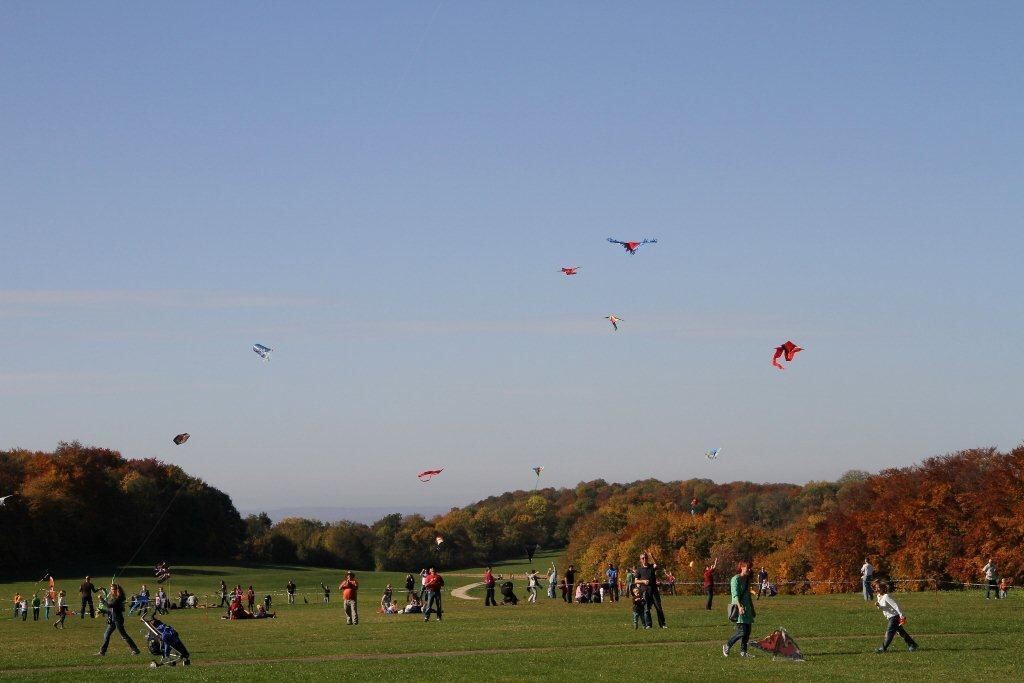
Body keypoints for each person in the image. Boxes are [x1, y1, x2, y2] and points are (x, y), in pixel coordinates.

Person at [872, 579, 918, 653]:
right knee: (901, 632)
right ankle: (912, 644)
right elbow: (883, 607)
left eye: (879, 587)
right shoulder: (879, 596)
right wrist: (878, 605)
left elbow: (896, 605)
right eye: (876, 587)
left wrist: (902, 615)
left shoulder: (887, 596)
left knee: (889, 633)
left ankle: (882, 649)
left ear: (883, 587)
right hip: (890, 617)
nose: (877, 589)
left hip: (894, 617)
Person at [723, 561, 756, 658]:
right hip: (738, 608)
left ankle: (743, 652)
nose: (749, 569)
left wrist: (752, 608)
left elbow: (748, 596)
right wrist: (739, 607)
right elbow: (735, 595)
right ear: (742, 567)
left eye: (750, 568)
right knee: (742, 631)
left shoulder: (747, 579)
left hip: (747, 608)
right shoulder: (735, 579)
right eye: (747, 567)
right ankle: (727, 645)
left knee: (747, 632)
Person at [95, 584, 140, 656]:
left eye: (112, 589)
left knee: (123, 635)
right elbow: (111, 611)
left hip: (118, 619)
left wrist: (101, 599)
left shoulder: (119, 599)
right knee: (106, 634)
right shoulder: (114, 598)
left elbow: (109, 605)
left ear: (117, 590)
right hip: (113, 620)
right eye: (111, 589)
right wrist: (102, 611)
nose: (111, 591)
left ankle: (135, 649)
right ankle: (102, 652)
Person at [635, 552, 666, 628]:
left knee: (658, 608)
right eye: (643, 558)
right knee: (646, 609)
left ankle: (662, 624)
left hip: (654, 590)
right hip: (645, 591)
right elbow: (636, 581)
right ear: (640, 560)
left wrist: (652, 556)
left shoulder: (651, 567)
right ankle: (648, 625)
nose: (644, 559)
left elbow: (657, 564)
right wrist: (643, 581)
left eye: (646, 558)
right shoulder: (639, 569)